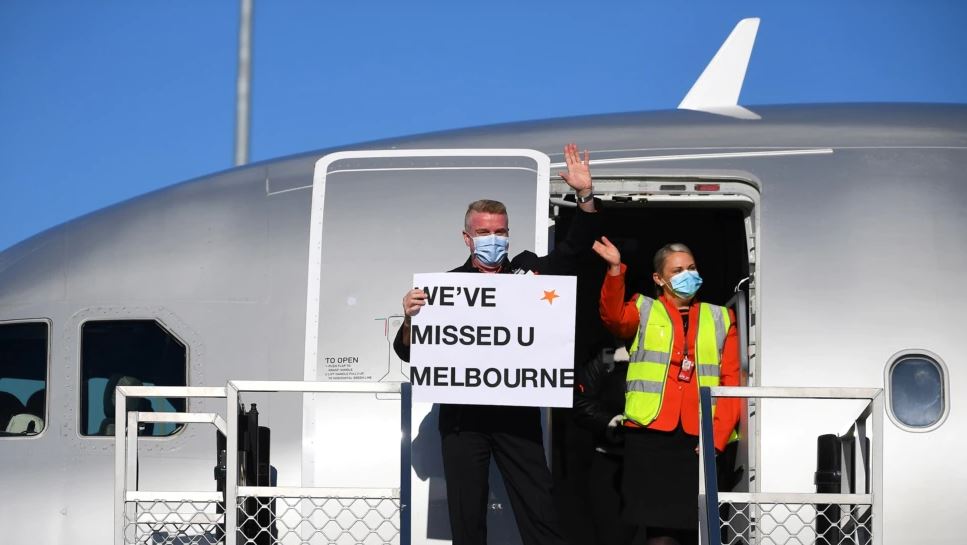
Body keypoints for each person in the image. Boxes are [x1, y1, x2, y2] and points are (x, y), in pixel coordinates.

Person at [393, 143, 599, 545]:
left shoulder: (532, 271)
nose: (493, 239)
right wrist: (409, 318)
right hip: (462, 420)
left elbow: (577, 248)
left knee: (540, 512)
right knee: (466, 518)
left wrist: (585, 196)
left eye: (500, 232)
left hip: (516, 415)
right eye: (484, 232)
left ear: (508, 233)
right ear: (467, 238)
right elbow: (410, 352)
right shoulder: (445, 288)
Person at [591, 238, 740, 545]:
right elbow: (613, 317)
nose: (688, 275)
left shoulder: (721, 317)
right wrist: (615, 270)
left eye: (692, 268)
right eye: (678, 270)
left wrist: (717, 438)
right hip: (649, 437)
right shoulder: (642, 308)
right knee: (659, 533)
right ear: (659, 279)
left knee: (693, 529)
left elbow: (732, 383)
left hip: (698, 440)